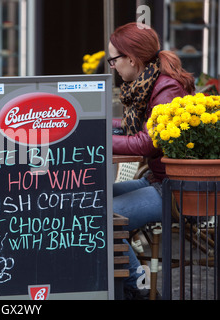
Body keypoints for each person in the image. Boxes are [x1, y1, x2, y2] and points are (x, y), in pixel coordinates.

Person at [109, 22, 195, 299]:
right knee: (94, 199)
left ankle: (140, 288)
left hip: (173, 189)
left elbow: (146, 142)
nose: (112, 66)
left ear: (131, 59)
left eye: (113, 59)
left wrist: (96, 138)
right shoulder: (150, 83)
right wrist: (95, 124)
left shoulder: (165, 88)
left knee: (100, 219)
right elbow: (133, 128)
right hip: (157, 179)